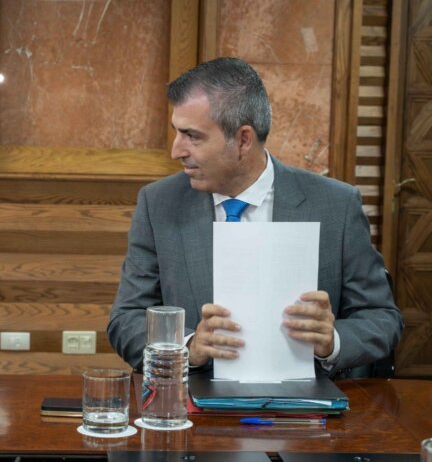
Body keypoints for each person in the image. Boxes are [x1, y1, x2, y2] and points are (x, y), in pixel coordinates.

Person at [108, 57, 402, 376]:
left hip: (305, 409)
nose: (176, 150)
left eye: (193, 136)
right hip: (193, 405)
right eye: (176, 133)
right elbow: (127, 319)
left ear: (243, 140)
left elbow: (382, 319)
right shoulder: (159, 203)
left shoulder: (336, 205)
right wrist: (188, 348)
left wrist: (332, 341)